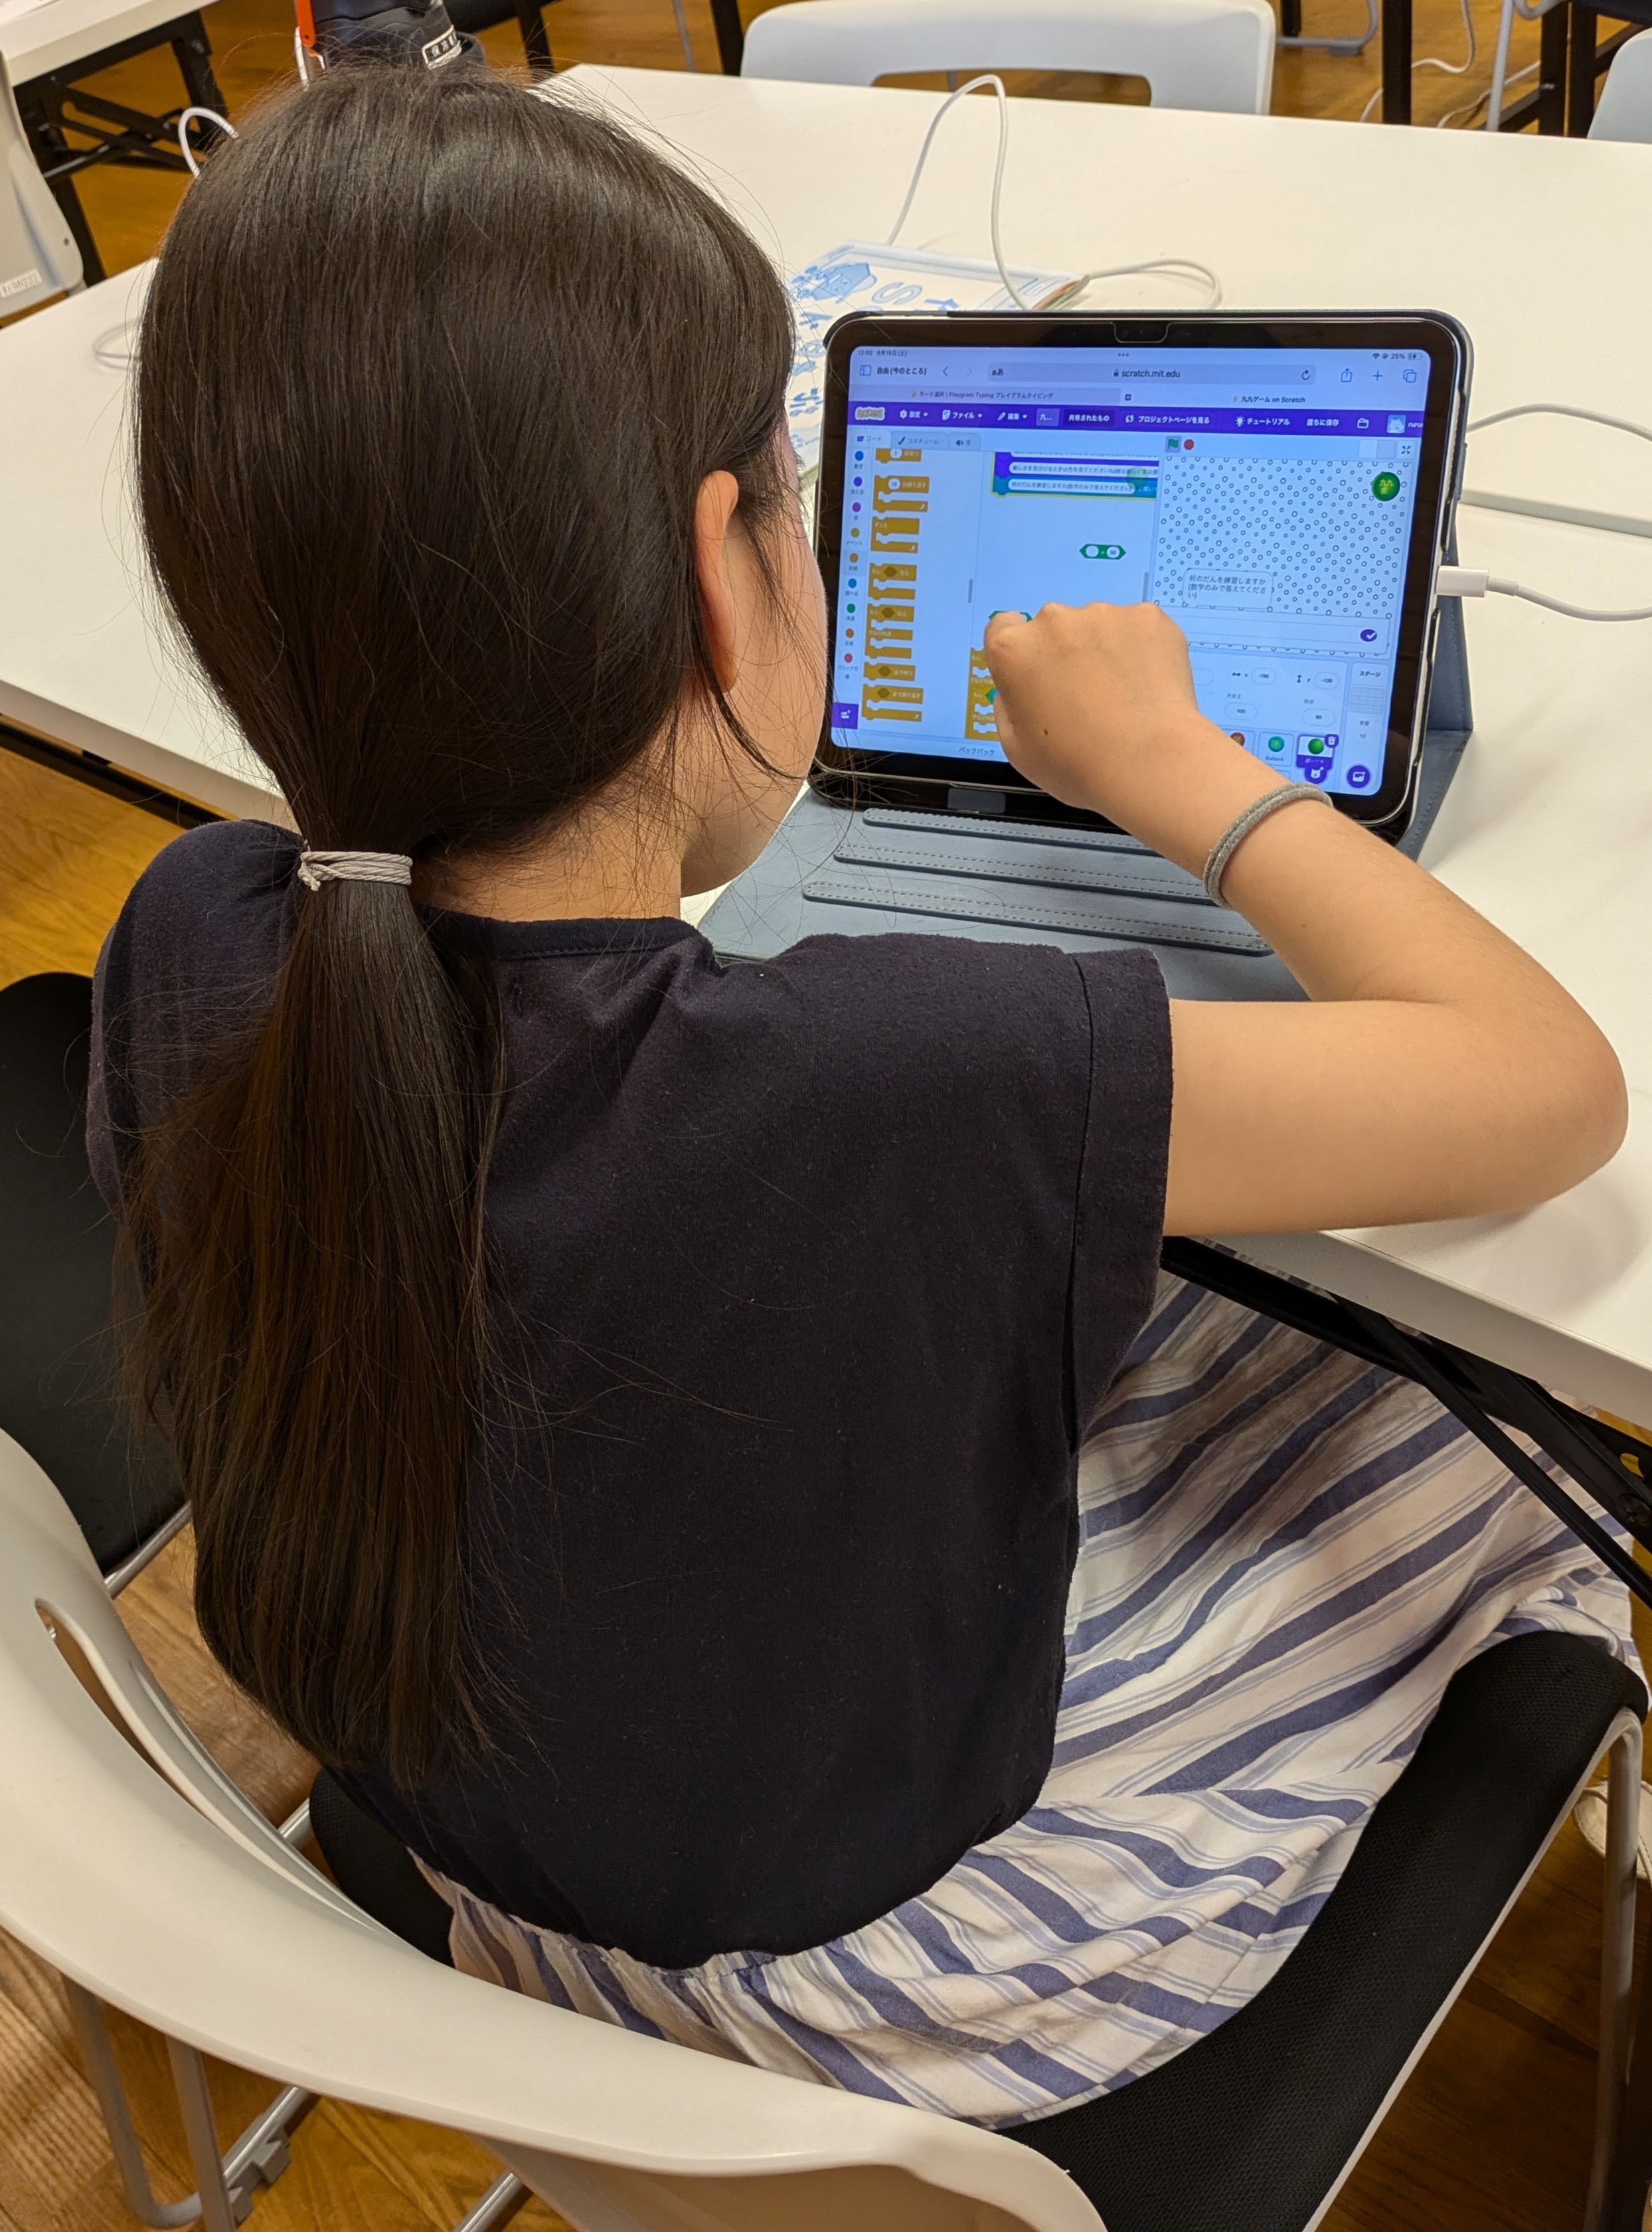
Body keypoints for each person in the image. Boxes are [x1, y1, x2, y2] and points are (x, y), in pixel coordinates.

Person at [90, 64, 1633, 2127]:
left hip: (489, 1853)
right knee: (1474, 1411)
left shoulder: (185, 930)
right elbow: (1549, 1088)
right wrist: (1174, 763)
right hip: (908, 1982)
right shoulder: (893, 1079)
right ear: (721, 578)